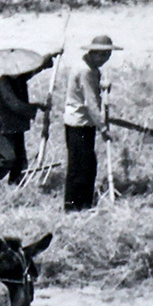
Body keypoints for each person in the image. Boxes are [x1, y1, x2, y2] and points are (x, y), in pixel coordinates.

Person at [63, 35, 120, 211]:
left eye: (108, 55)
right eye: (103, 55)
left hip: (84, 122)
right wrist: (103, 128)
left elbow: (93, 93)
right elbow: (91, 105)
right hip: (78, 123)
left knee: (87, 165)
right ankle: (73, 208)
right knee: (80, 167)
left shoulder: (91, 68)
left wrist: (103, 87)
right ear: (94, 53)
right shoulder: (86, 70)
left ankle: (85, 204)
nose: (105, 59)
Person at [0, 53, 55, 187]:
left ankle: (15, 183)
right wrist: (36, 106)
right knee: (8, 158)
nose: (17, 71)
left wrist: (49, 58)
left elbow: (34, 70)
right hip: (3, 128)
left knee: (20, 160)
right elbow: (15, 105)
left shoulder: (19, 78)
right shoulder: (3, 84)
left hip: (17, 126)